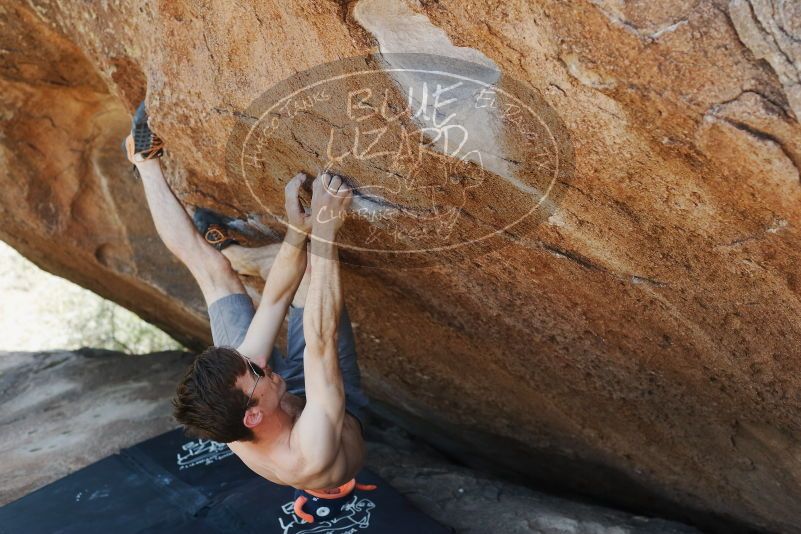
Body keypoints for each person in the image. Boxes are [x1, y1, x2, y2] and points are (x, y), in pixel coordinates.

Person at [123, 102, 369, 491]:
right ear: (252, 417)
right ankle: (244, 255)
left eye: (249, 364)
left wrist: (297, 229)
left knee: (215, 274)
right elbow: (318, 346)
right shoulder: (309, 454)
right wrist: (325, 227)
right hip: (331, 409)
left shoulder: (242, 387)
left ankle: (145, 162)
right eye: (255, 370)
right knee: (311, 272)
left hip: (282, 399)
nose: (260, 362)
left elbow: (273, 302)